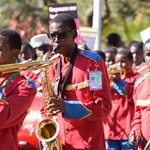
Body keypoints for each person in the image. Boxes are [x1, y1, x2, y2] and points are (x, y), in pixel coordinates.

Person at [44, 13, 112, 149]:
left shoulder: (93, 64)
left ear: (74, 34)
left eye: (61, 35)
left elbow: (103, 106)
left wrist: (67, 107)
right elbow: (45, 106)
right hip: (61, 141)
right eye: (52, 36)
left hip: (87, 142)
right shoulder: (51, 64)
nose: (56, 40)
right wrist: (47, 134)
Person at [103, 49, 137, 150]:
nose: (120, 65)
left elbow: (130, 94)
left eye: (123, 61)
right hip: (112, 127)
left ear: (131, 62)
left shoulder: (136, 78)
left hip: (127, 127)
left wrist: (118, 82)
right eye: (117, 62)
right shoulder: (111, 77)